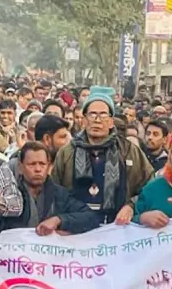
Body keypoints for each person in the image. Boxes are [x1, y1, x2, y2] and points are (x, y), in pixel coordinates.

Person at [52, 86, 154, 224]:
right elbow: (54, 191)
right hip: (75, 226)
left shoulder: (128, 151)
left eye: (103, 115)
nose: (97, 120)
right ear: (84, 120)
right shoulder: (67, 152)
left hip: (116, 226)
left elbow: (149, 188)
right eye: (92, 114)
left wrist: (131, 206)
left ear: (111, 121)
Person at [0, 142, 100, 236]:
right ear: (20, 167)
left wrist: (59, 220)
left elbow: (91, 217)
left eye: (42, 164)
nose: (38, 169)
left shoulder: (59, 194)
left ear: (49, 166)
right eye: (32, 164)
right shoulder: (10, 197)